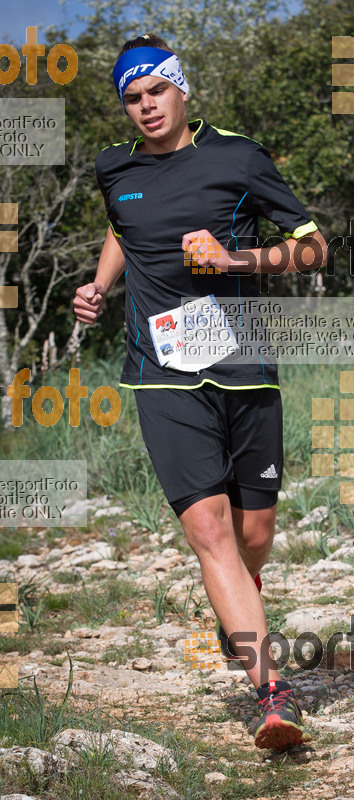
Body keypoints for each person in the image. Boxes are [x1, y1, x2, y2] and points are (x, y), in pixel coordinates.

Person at [73, 33, 327, 750]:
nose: (145, 106)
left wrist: (235, 256)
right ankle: (272, 692)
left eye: (155, 91)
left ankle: (234, 610)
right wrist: (98, 286)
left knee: (253, 536)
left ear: (181, 89)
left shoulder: (238, 158)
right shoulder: (112, 169)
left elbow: (312, 245)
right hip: (161, 373)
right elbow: (122, 224)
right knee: (209, 531)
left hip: (244, 366)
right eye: (132, 98)